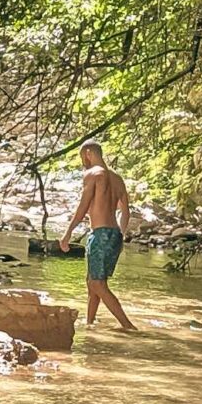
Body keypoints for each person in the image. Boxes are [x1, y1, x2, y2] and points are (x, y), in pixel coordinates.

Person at [60, 139, 138, 330]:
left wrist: (67, 233)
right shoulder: (117, 179)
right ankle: (90, 324)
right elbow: (125, 211)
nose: (82, 162)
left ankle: (128, 326)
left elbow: (83, 206)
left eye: (82, 158)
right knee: (92, 282)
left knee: (97, 283)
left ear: (88, 152)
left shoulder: (93, 174)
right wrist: (121, 233)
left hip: (100, 233)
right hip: (114, 234)